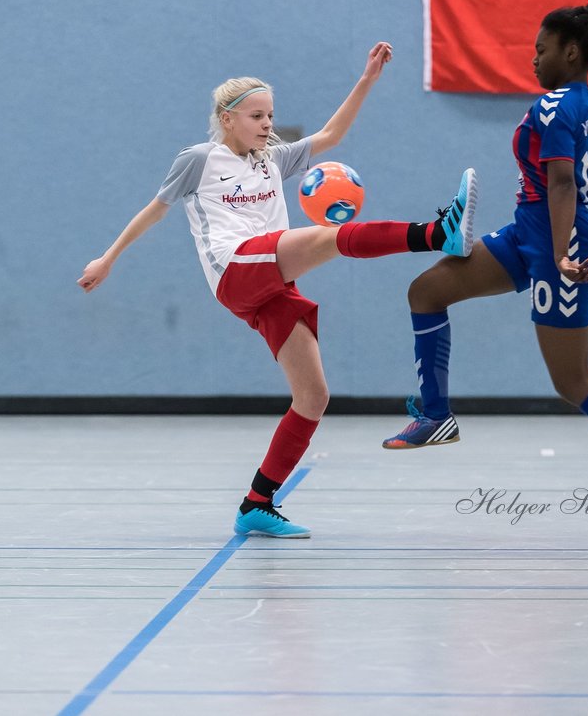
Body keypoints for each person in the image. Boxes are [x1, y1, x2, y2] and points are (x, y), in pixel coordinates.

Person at [79, 42, 477, 538]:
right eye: (256, 116)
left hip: (270, 281)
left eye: (270, 115)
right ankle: (438, 234)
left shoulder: (272, 160)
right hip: (235, 267)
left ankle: (256, 502)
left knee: (313, 396)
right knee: (331, 238)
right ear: (227, 118)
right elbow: (155, 209)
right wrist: (109, 257)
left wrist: (368, 78)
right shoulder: (199, 159)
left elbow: (332, 134)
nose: (267, 124)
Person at [383, 3, 588, 529]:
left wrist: (559, 256)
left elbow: (560, 185)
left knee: (572, 380)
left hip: (560, 240)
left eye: (541, 49)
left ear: (570, 52)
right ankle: (436, 416)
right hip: (532, 232)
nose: (533, 59)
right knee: (426, 291)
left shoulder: (557, 106)